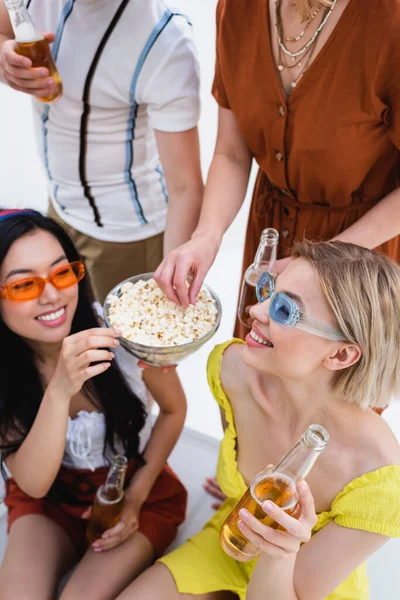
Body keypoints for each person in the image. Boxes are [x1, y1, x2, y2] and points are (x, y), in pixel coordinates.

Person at [116, 240, 400, 600]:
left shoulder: (378, 480)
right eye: (269, 291)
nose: (254, 309)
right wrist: (243, 492)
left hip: (297, 580)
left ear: (341, 353)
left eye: (283, 310)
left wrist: (280, 553)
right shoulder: (231, 369)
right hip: (231, 538)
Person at [154, 0, 400, 340]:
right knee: (251, 374)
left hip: (356, 256)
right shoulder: (235, 9)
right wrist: (206, 236)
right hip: (269, 237)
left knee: (331, 386)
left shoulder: (390, 21)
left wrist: (323, 259)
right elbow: (231, 152)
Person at [0, 209, 187, 600]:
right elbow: (33, 485)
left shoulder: (124, 333)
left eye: (62, 273)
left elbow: (174, 410)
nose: (51, 294)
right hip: (50, 502)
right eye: (23, 286)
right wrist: (59, 389)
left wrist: (134, 499)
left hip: (138, 489)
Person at [0, 0, 203, 303]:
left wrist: (172, 280)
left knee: (122, 345)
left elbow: (185, 186)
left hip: (126, 236)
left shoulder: (166, 40)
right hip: (59, 207)